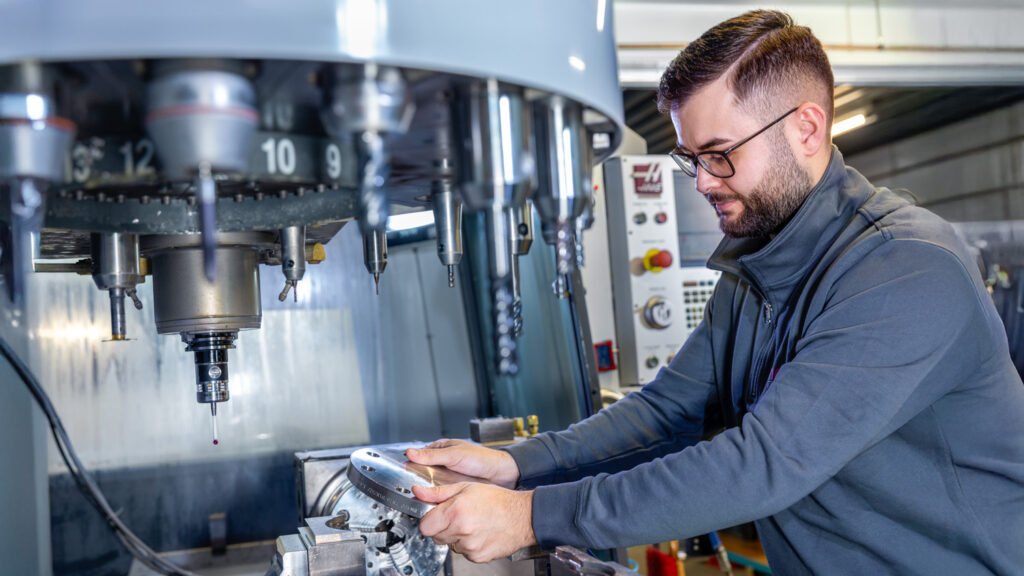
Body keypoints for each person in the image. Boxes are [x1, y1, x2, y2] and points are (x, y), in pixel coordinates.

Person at [407, 9, 1024, 574]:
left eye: (719, 154)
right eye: (690, 157)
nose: (702, 181)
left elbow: (761, 463)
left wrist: (530, 517)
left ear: (806, 129)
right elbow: (667, 410)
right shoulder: (759, 268)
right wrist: (518, 464)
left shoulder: (907, 269)